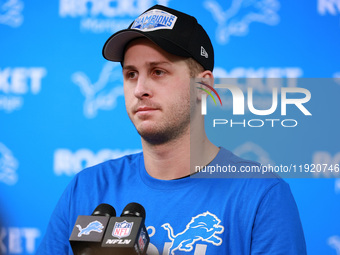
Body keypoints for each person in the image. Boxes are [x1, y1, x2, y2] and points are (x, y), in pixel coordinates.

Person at [37, 4, 307, 255]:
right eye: (131, 74)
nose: (140, 89)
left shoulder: (260, 195)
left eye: (158, 72)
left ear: (203, 87)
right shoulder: (87, 188)